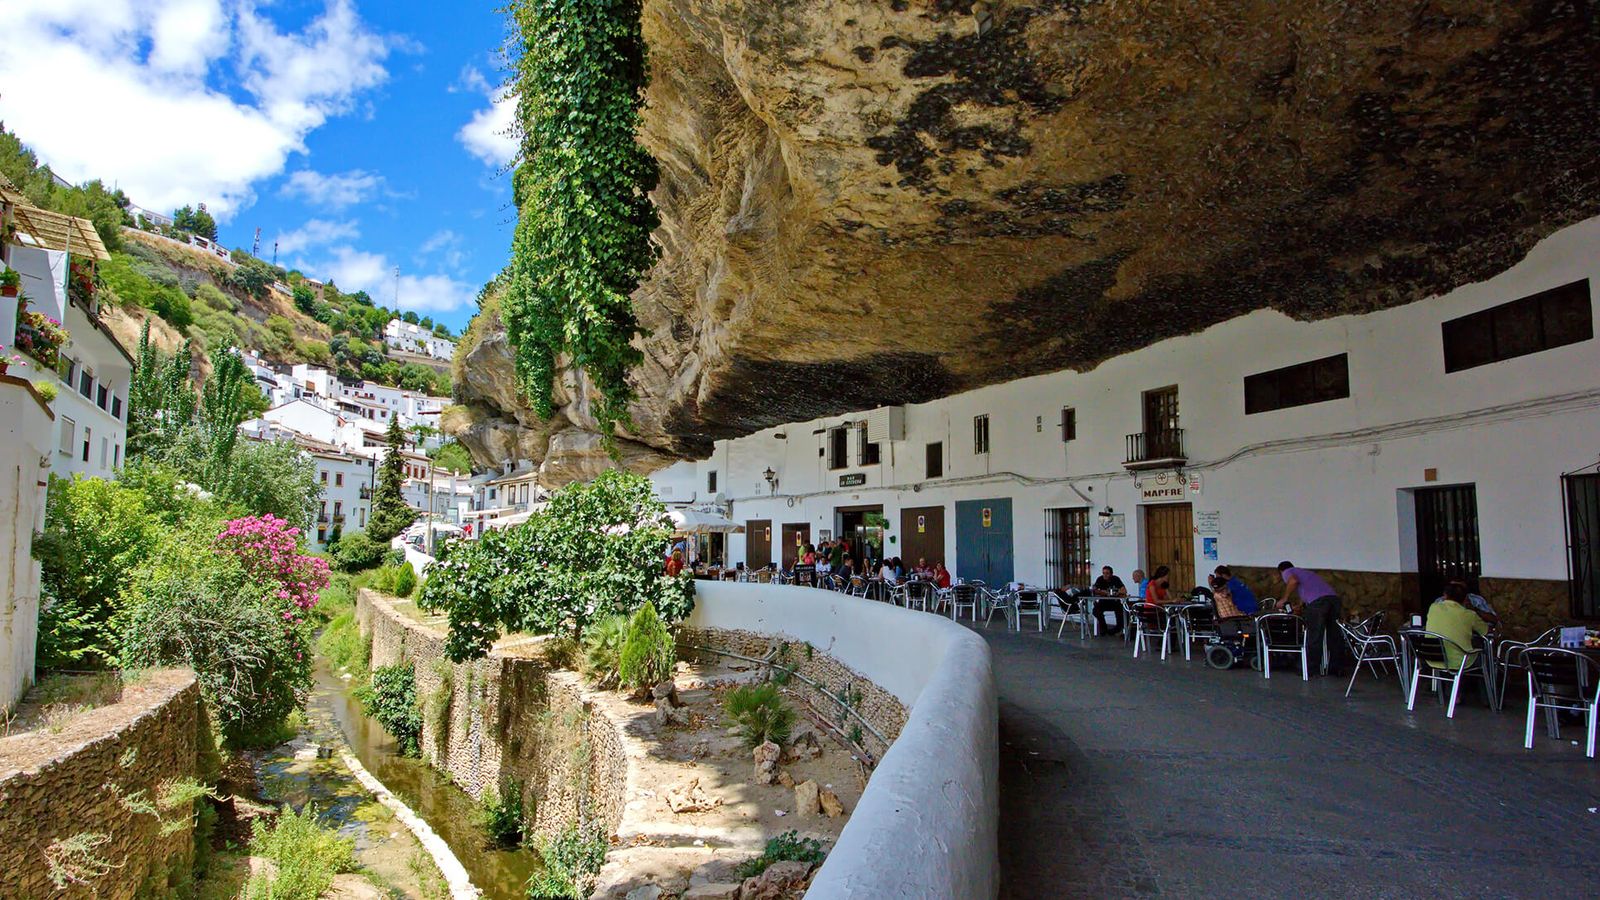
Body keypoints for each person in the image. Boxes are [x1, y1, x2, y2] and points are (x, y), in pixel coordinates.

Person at [1278, 561, 1346, 676]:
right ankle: (1336, 668)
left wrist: (1284, 599)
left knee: (1314, 635)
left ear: (1281, 571)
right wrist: (1300, 606)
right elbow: (1308, 594)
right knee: (1334, 635)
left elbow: (1293, 581)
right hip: (1333, 601)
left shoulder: (1287, 571)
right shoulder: (1305, 573)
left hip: (1319, 604)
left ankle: (1309, 668)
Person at [1425, 581, 1490, 670]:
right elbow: (1486, 632)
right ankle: (1483, 683)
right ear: (1465, 599)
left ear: (1445, 595)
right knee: (1483, 655)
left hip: (1432, 659)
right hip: (1460, 662)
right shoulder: (1469, 614)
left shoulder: (1433, 607)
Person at [1432, 580, 1499, 627]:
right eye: (1452, 589)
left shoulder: (1475, 600)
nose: (1455, 592)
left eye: (1460, 589)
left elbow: (1494, 620)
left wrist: (1474, 610)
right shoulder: (1439, 602)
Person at [1091, 566, 1128, 635]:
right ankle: (1103, 628)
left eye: (1107, 573)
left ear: (1111, 574)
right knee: (1095, 611)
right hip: (1103, 602)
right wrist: (1103, 592)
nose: (1105, 575)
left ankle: (1118, 628)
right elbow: (1094, 590)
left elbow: (1124, 591)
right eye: (1103, 573)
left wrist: (1116, 592)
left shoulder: (1116, 579)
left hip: (1114, 602)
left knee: (1122, 610)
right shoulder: (1100, 579)